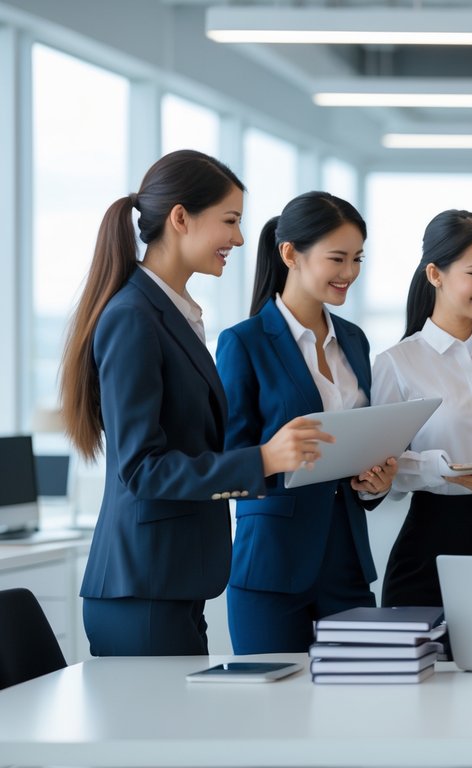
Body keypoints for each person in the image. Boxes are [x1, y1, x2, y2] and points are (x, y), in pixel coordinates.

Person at [60, 150, 330, 656]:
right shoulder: (133, 316)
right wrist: (263, 458)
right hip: (141, 588)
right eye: (230, 221)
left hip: (173, 584)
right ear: (181, 218)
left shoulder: (171, 312)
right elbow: (143, 470)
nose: (241, 239)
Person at [216, 191, 398, 654]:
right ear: (290, 253)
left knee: (358, 707)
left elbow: (360, 445)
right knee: (272, 717)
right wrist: (272, 456)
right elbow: (226, 459)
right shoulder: (245, 342)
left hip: (348, 565)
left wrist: (374, 481)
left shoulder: (354, 341)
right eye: (337, 258)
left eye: (357, 258)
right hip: (272, 566)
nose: (350, 273)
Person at [371, 210, 472, 607]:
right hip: (426, 548)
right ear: (435, 274)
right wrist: (441, 469)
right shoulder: (397, 363)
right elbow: (380, 467)